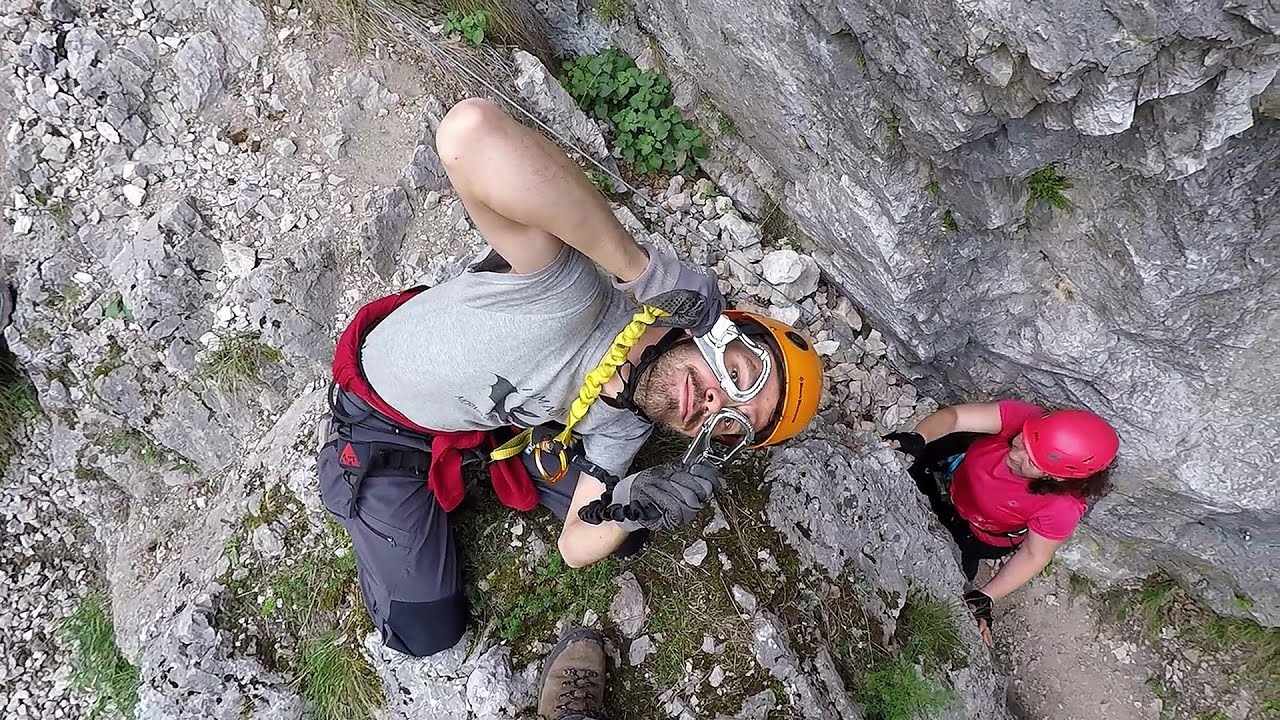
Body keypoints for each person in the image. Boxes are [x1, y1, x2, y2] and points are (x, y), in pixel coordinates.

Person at [317, 98, 824, 658]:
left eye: (730, 422)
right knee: (421, 626)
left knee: (620, 537)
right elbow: (467, 132)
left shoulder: (625, 430)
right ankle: (387, 487)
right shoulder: (565, 284)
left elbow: (575, 545)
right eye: (736, 374)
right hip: (378, 420)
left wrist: (631, 505)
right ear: (712, 330)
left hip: (483, 420)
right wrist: (642, 267)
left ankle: (495, 453)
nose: (712, 399)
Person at [885, 399, 1119, 644]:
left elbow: (1034, 555)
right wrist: (919, 437)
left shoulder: (1062, 507)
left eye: (1031, 460)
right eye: (1022, 440)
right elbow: (955, 417)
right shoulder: (1026, 419)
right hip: (951, 480)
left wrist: (985, 597)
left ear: (1056, 478)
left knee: (948, 580)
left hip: (975, 536)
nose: (1015, 453)